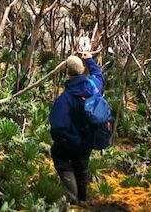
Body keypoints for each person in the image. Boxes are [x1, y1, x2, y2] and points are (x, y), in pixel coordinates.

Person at [49, 52, 105, 204]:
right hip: (88, 140)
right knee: (81, 167)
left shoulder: (66, 98)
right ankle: (83, 199)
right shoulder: (94, 87)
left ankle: (73, 198)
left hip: (71, 141)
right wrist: (89, 60)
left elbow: (58, 127)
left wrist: (67, 139)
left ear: (67, 72)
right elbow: (99, 76)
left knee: (58, 156)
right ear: (82, 70)